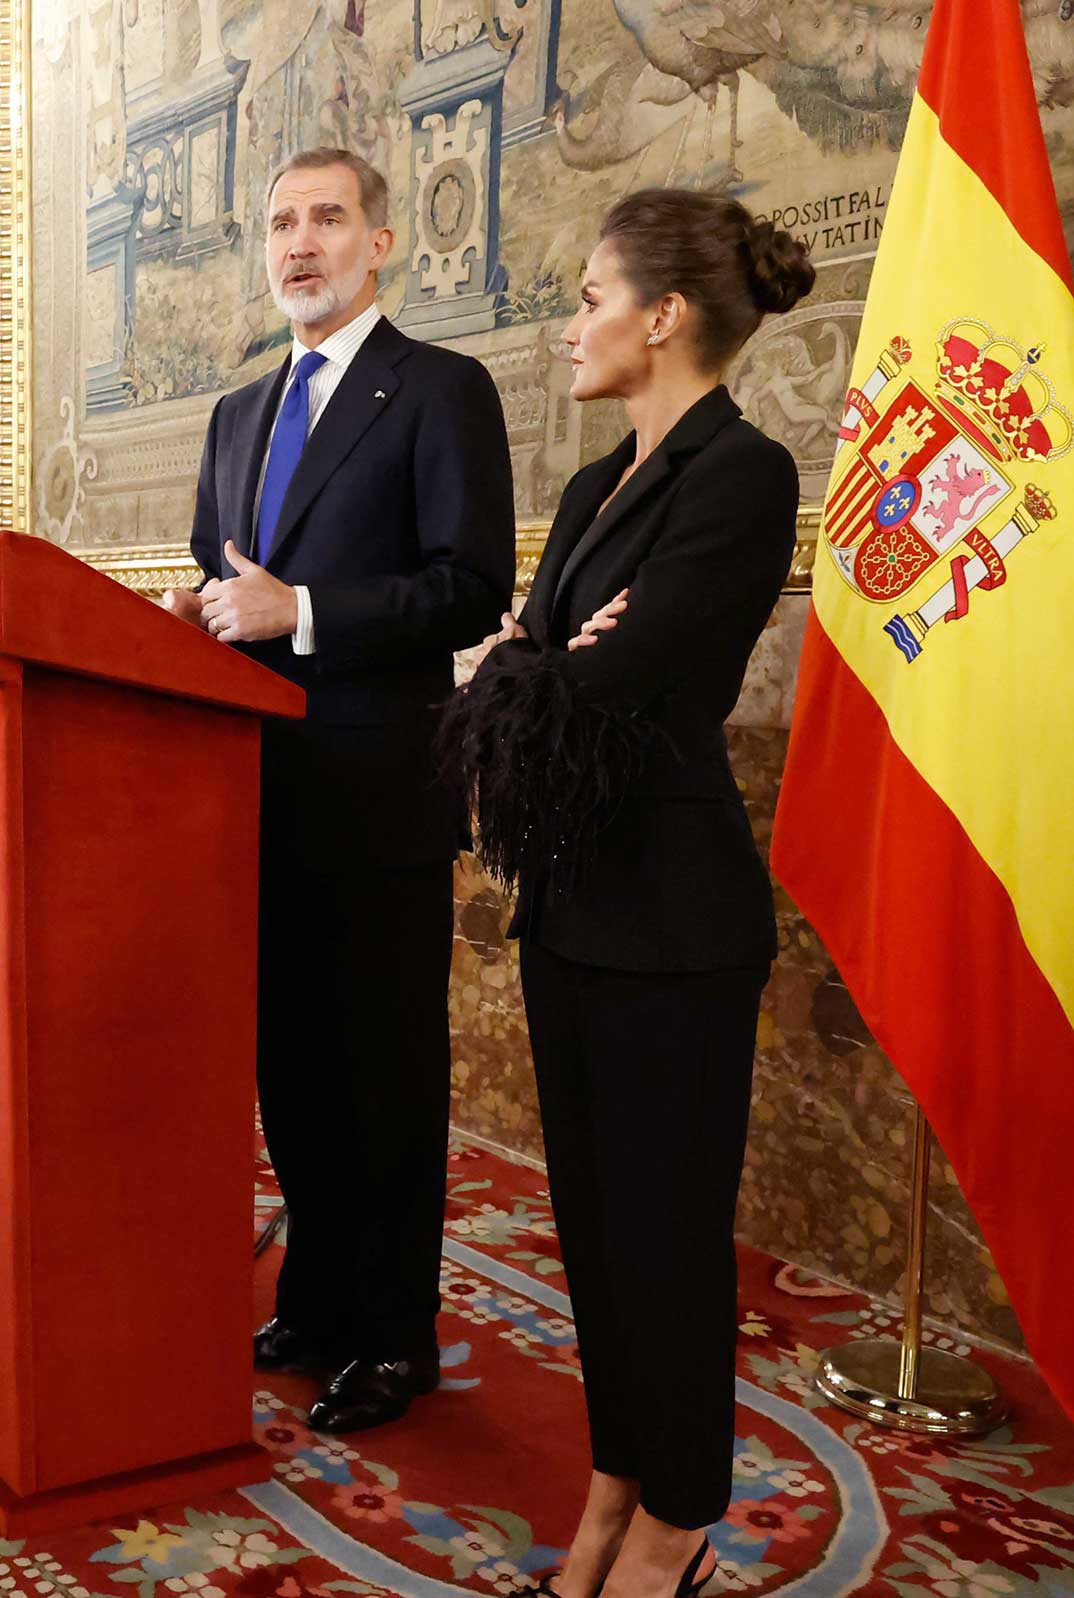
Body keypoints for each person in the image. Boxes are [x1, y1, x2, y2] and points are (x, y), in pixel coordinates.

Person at [442, 188, 814, 1596]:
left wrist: (528, 666)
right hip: (573, 908)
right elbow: (524, 689)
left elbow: (600, 684)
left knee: (666, 1242)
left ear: (663, 317)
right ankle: (614, 1480)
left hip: (674, 925)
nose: (571, 326)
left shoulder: (743, 473)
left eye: (589, 297)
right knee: (594, 1237)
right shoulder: (600, 489)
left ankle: (675, 1527)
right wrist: (531, 665)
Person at [163, 146, 515, 1434]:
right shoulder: (236, 415)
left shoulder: (439, 391)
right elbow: (226, 579)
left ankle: (391, 1333)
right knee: (293, 1075)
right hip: (257, 800)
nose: (299, 243)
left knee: (383, 1075)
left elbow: (469, 584)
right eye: (280, 224)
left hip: (380, 797)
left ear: (380, 244)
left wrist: (298, 608)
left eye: (327, 219)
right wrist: (201, 614)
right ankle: (314, 1297)